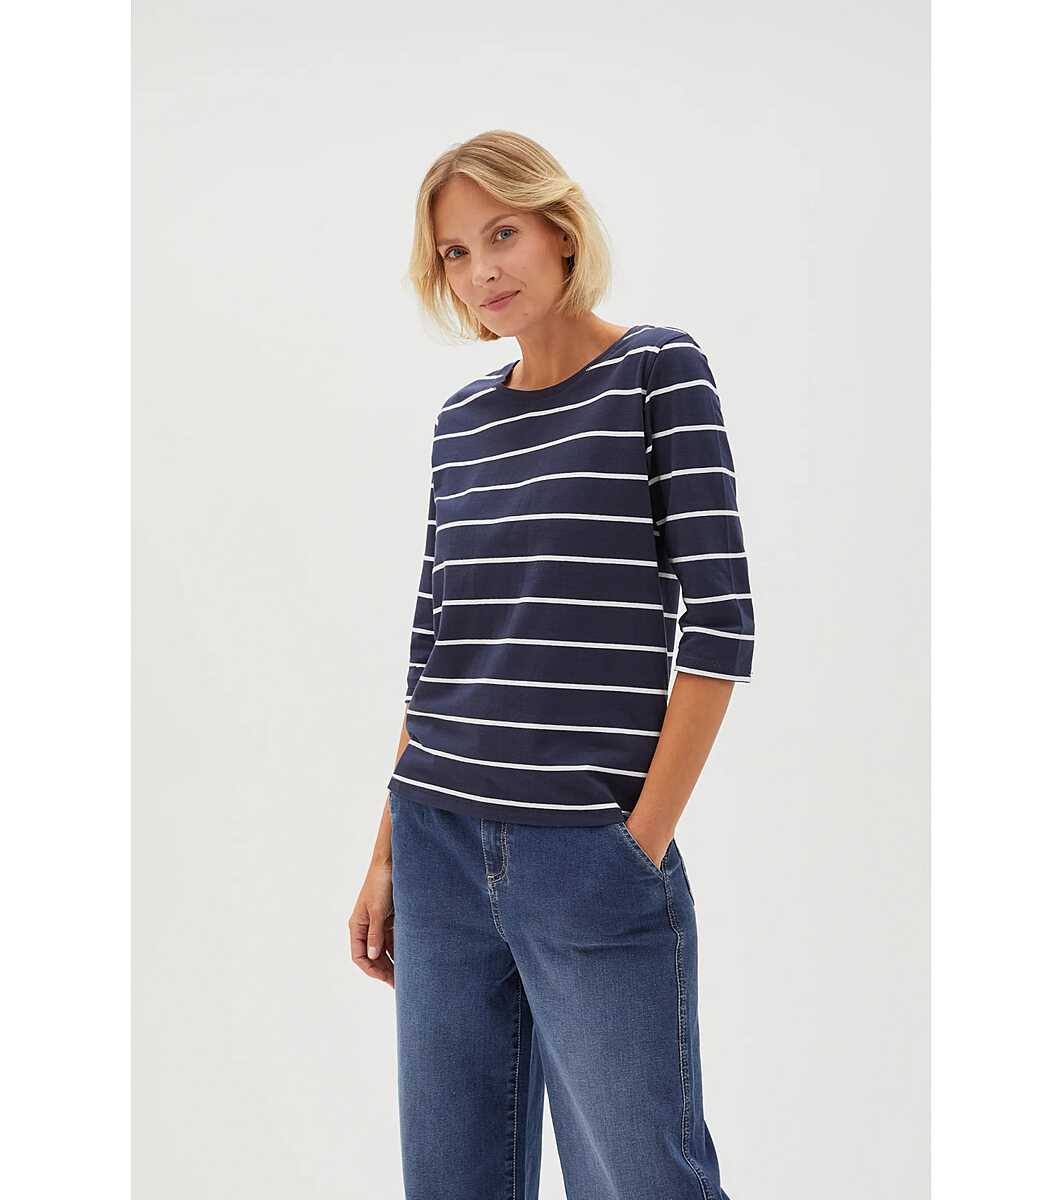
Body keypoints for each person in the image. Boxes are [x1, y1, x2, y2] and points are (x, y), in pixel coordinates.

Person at [349, 129, 755, 1200]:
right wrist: (386, 855)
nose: (481, 270)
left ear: (561, 230)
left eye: (502, 234)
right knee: (454, 1180)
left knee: (645, 1178)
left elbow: (720, 626)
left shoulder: (657, 372)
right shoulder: (461, 424)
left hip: (588, 851)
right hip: (437, 841)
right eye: (454, 252)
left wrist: (638, 848)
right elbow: (435, 646)